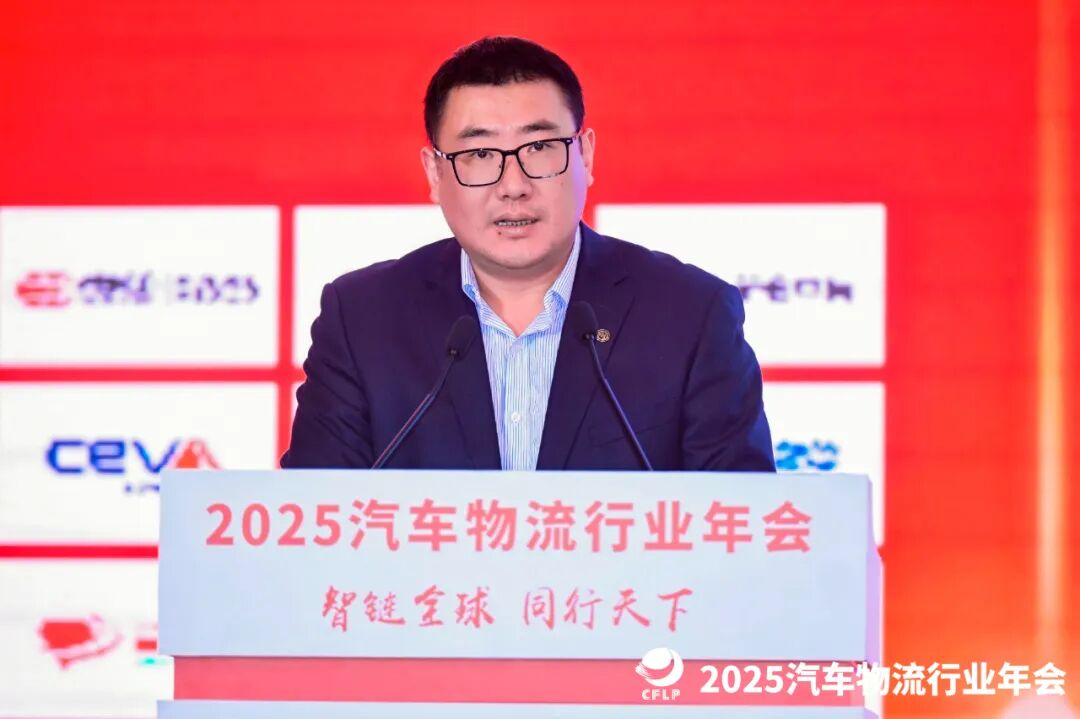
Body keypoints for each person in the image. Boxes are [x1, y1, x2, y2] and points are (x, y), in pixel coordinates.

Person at [281, 36, 774, 472]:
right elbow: (312, 519)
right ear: (434, 173)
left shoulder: (690, 314)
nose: (513, 186)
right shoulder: (362, 320)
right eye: (479, 155)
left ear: (585, 156)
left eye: (539, 148)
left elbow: (740, 523)